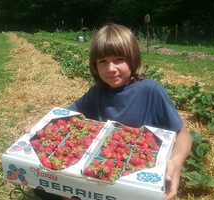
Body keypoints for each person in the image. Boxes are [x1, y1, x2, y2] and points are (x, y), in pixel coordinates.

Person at [34, 23, 192, 200]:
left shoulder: (151, 91)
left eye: (119, 59)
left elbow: (183, 135)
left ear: (133, 59)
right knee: (41, 185)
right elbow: (65, 116)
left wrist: (176, 161)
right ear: (95, 65)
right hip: (102, 175)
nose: (111, 69)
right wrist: (39, 128)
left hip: (137, 176)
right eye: (103, 62)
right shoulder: (98, 92)